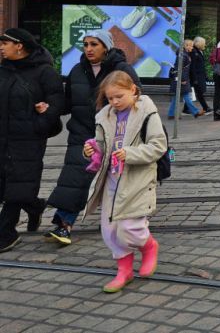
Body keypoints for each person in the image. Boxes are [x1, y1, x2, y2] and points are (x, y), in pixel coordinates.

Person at [47, 29, 140, 246]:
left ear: (105, 47)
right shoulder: (77, 71)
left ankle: (128, 225)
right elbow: (68, 102)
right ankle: (64, 224)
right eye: (86, 44)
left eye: (94, 44)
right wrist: (49, 107)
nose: (88, 49)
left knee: (119, 181)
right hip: (81, 133)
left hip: (115, 135)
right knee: (74, 178)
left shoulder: (122, 70)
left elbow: (138, 99)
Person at [83, 71, 166, 293]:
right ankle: (124, 271)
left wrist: (130, 154)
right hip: (111, 178)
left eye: (119, 96)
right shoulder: (105, 116)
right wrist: (92, 149)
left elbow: (158, 146)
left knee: (131, 226)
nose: (114, 102)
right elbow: (102, 144)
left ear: (133, 90)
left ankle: (148, 246)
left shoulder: (147, 112)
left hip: (137, 178)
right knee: (110, 229)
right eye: (110, 98)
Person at [0, 29, 65, 253]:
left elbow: (57, 103)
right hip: (3, 138)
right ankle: (35, 206)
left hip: (28, 139)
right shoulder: (3, 70)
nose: (1, 47)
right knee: (6, 185)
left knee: (18, 184)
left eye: (5, 43)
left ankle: (6, 233)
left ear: (19, 46)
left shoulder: (44, 72)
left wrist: (41, 121)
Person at [167, 40, 202, 119]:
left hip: (181, 79)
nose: (192, 48)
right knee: (186, 97)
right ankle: (195, 112)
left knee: (176, 98)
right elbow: (179, 68)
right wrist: (182, 79)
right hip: (182, 80)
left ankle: (171, 114)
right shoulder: (183, 55)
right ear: (186, 46)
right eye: (191, 46)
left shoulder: (183, 54)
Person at [190, 37, 211, 114]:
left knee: (198, 92)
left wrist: (205, 75)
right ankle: (206, 108)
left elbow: (201, 65)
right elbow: (193, 66)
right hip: (197, 76)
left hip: (200, 76)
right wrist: (194, 78)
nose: (205, 44)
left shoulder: (198, 51)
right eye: (204, 43)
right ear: (200, 43)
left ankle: (186, 109)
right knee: (199, 92)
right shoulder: (194, 52)